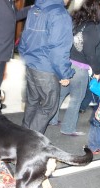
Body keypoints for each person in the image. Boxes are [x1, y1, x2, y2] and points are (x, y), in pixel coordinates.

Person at [18, 0, 75, 134]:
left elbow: (24, 38)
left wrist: (26, 58)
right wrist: (64, 73)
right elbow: (58, 49)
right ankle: (30, 144)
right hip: (46, 69)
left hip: (31, 65)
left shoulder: (34, 9)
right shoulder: (60, 14)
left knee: (32, 102)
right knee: (48, 106)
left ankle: (22, 135)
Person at [49, 0, 100, 136]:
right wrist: (96, 71)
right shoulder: (91, 27)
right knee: (76, 99)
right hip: (79, 68)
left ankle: (51, 119)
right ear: (96, 10)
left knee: (60, 94)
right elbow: (90, 52)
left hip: (66, 64)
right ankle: (68, 128)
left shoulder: (75, 23)